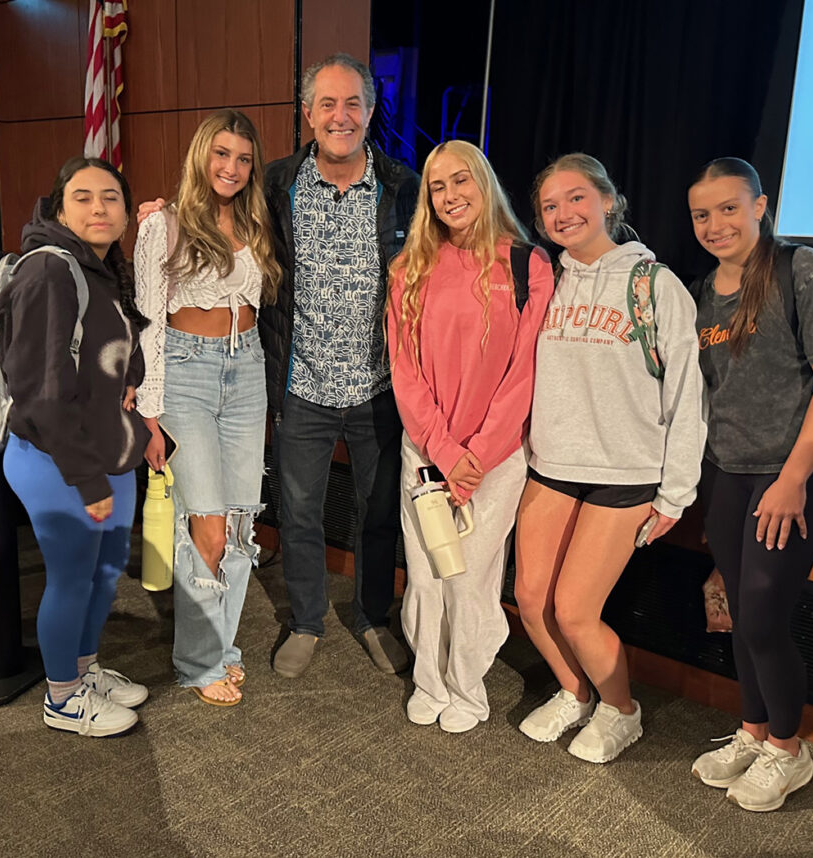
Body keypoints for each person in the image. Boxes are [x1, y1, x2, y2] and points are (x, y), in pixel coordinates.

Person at [513, 153, 705, 762]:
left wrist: (676, 493)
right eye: (550, 206)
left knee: (574, 610)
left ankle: (621, 709)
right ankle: (575, 694)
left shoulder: (654, 284)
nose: (563, 213)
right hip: (552, 466)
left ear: (607, 201)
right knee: (530, 599)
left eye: (576, 198)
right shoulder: (547, 281)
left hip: (626, 472)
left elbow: (687, 393)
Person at [686, 157, 813, 811]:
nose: (716, 224)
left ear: (760, 206)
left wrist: (792, 478)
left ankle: (788, 748)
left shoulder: (802, 271)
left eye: (729, 208)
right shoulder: (703, 293)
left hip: (797, 474)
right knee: (739, 612)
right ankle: (754, 731)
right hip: (729, 472)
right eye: (702, 214)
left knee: (761, 615)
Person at [259, 53, 421, 678]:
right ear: (308, 113)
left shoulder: (403, 187)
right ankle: (306, 621)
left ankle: (373, 617)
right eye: (327, 103)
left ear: (371, 111)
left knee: (378, 515)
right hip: (302, 384)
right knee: (298, 514)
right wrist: (158, 216)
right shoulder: (276, 184)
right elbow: (214, 218)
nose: (340, 115)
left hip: (380, 386)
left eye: (353, 102)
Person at [387, 140, 552, 733]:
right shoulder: (408, 269)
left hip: (496, 458)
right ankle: (428, 681)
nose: (450, 195)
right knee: (427, 574)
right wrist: (444, 451)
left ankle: (466, 687)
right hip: (427, 452)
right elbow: (404, 371)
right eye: (437, 186)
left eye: (461, 180)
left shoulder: (526, 265)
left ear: (484, 185)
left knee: (471, 580)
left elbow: (524, 372)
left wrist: (477, 455)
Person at [0, 156, 152, 737]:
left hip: (107, 451)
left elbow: (114, 350)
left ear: (127, 213)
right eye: (82, 197)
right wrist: (86, 478)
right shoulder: (49, 272)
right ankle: (62, 698)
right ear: (60, 210)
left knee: (103, 575)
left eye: (111, 197)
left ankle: (83, 671)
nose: (98, 208)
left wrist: (128, 381)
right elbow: (40, 392)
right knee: (71, 578)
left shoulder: (101, 269)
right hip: (57, 459)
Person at [133, 110, 282, 706]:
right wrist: (149, 414)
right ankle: (197, 663)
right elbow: (148, 321)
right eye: (222, 154)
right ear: (202, 155)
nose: (232, 167)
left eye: (243, 159)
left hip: (246, 368)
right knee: (208, 527)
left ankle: (221, 650)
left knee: (241, 526)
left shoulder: (255, 221)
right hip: (186, 372)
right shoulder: (162, 223)